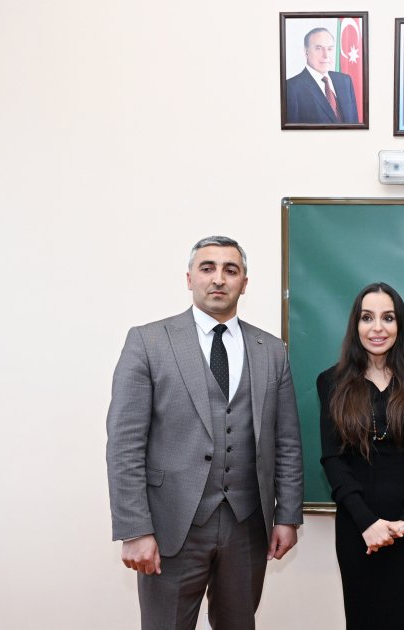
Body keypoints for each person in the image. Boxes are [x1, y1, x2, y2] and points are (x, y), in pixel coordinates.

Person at [106, 235, 304, 629]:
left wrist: (287, 516)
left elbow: (287, 442)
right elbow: (125, 444)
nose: (218, 278)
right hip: (170, 526)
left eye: (230, 270)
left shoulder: (271, 350)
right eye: (207, 268)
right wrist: (135, 529)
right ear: (189, 278)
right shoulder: (148, 341)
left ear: (244, 283)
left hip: (247, 526)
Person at [317, 282, 404, 630]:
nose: (377, 328)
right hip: (358, 528)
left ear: (400, 325)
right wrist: (366, 523)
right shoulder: (331, 381)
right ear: (355, 325)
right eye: (367, 318)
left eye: (388, 318)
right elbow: (332, 459)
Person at [285, 27, 359, 124]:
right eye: (318, 48)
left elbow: (354, 123)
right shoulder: (291, 88)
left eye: (330, 49)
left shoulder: (345, 81)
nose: (326, 55)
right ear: (306, 52)